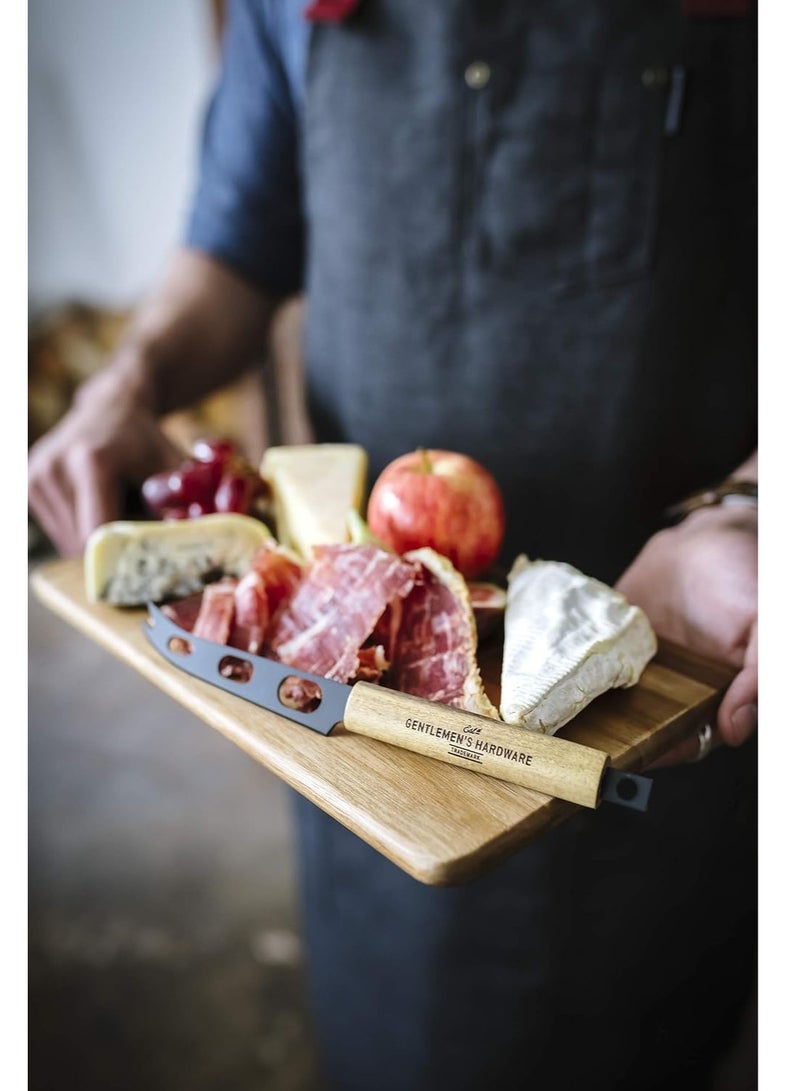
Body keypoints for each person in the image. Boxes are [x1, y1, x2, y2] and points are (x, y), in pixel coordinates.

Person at [28, 2, 757, 1088]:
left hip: (666, 675)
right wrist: (124, 380)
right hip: (359, 698)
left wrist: (753, 502)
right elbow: (233, 242)